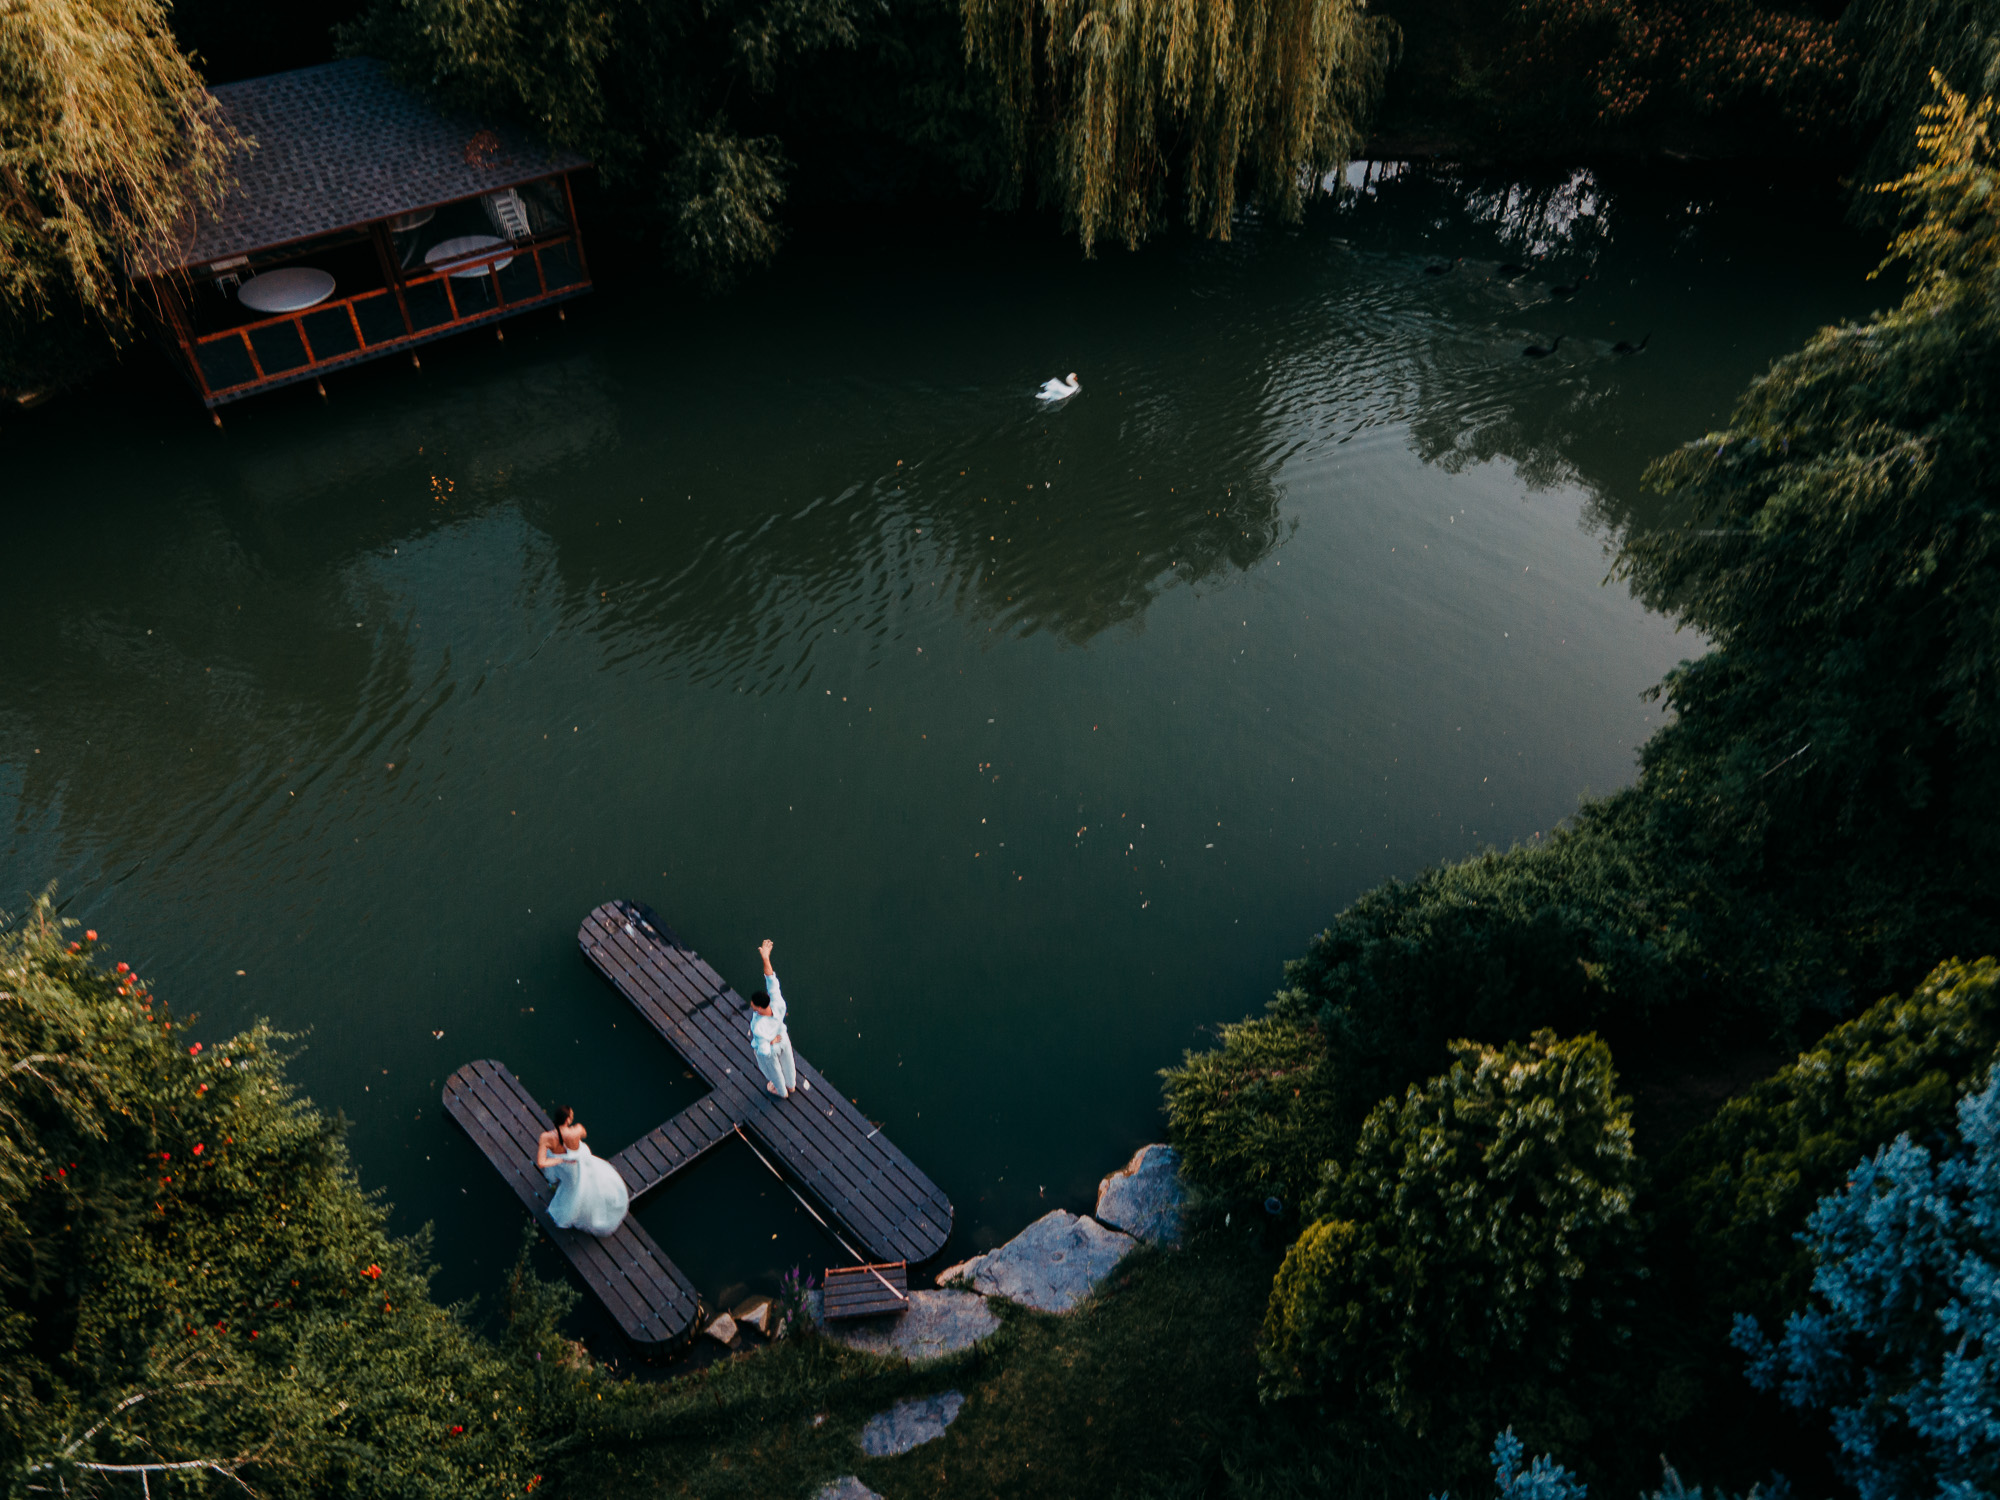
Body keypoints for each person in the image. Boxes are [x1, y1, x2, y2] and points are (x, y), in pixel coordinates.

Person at [535, 1104, 629, 1236]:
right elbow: (584, 1134)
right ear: (568, 1119)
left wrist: (561, 1160)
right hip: (576, 1168)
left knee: (569, 1186)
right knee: (578, 1187)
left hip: (563, 1169)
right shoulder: (576, 1131)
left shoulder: (545, 1137)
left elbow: (541, 1162)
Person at [750, 938, 809, 1099]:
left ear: (759, 1008)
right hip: (782, 1036)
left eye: (753, 1005)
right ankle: (791, 1085)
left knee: (774, 1071)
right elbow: (771, 980)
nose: (752, 1006)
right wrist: (766, 958)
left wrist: (770, 1042)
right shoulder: (778, 1003)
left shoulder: (758, 1026)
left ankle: (781, 1091)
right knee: (788, 1062)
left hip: (772, 1046)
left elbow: (763, 1050)